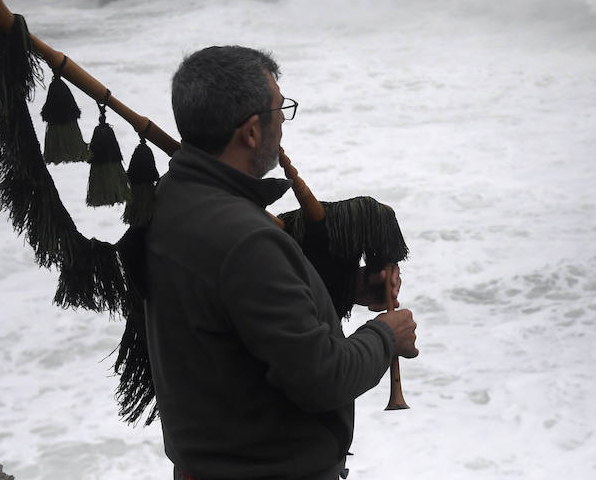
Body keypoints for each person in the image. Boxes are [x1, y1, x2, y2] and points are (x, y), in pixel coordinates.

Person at [144, 45, 418, 480]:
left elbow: (237, 313)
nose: (283, 123)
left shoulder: (170, 200)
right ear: (252, 131)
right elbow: (323, 378)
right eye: (280, 109)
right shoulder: (247, 240)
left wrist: (347, 288)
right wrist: (386, 335)